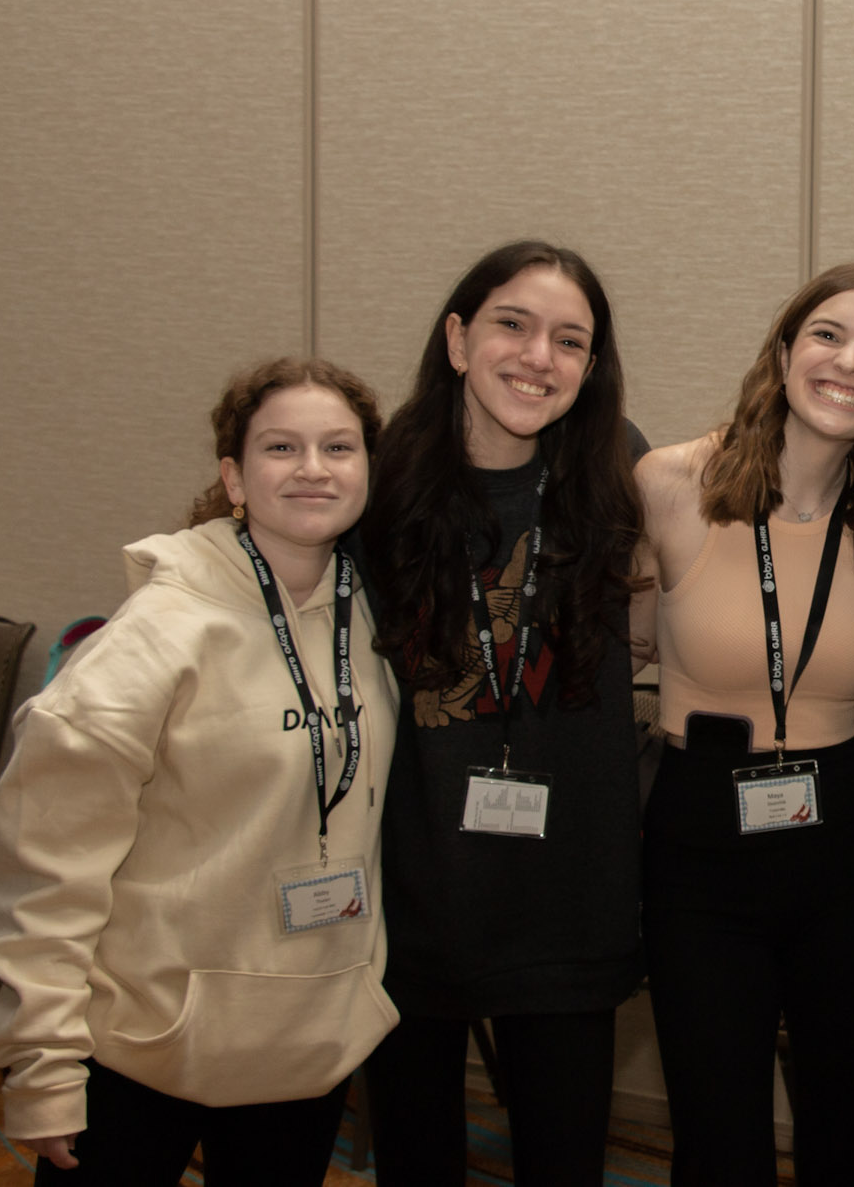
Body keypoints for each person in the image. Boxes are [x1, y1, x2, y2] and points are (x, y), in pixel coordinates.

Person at [0, 357, 395, 1186]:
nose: (313, 468)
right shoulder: (161, 631)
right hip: (143, 1049)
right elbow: (47, 862)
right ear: (234, 477)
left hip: (304, 1048)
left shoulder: (374, 616)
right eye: (282, 447)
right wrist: (45, 1064)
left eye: (339, 448)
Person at [358, 240, 646, 1186]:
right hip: (413, 888)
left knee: (564, 1161)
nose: (539, 358)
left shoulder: (623, 475)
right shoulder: (379, 481)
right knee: (414, 1157)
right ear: (456, 338)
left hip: (566, 896)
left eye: (572, 340)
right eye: (512, 325)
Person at [632, 261, 854, 1185]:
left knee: (851, 1118)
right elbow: (614, 648)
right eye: (829, 335)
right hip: (700, 833)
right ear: (785, 351)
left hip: (841, 834)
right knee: (719, 1128)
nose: (850, 363)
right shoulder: (674, 483)